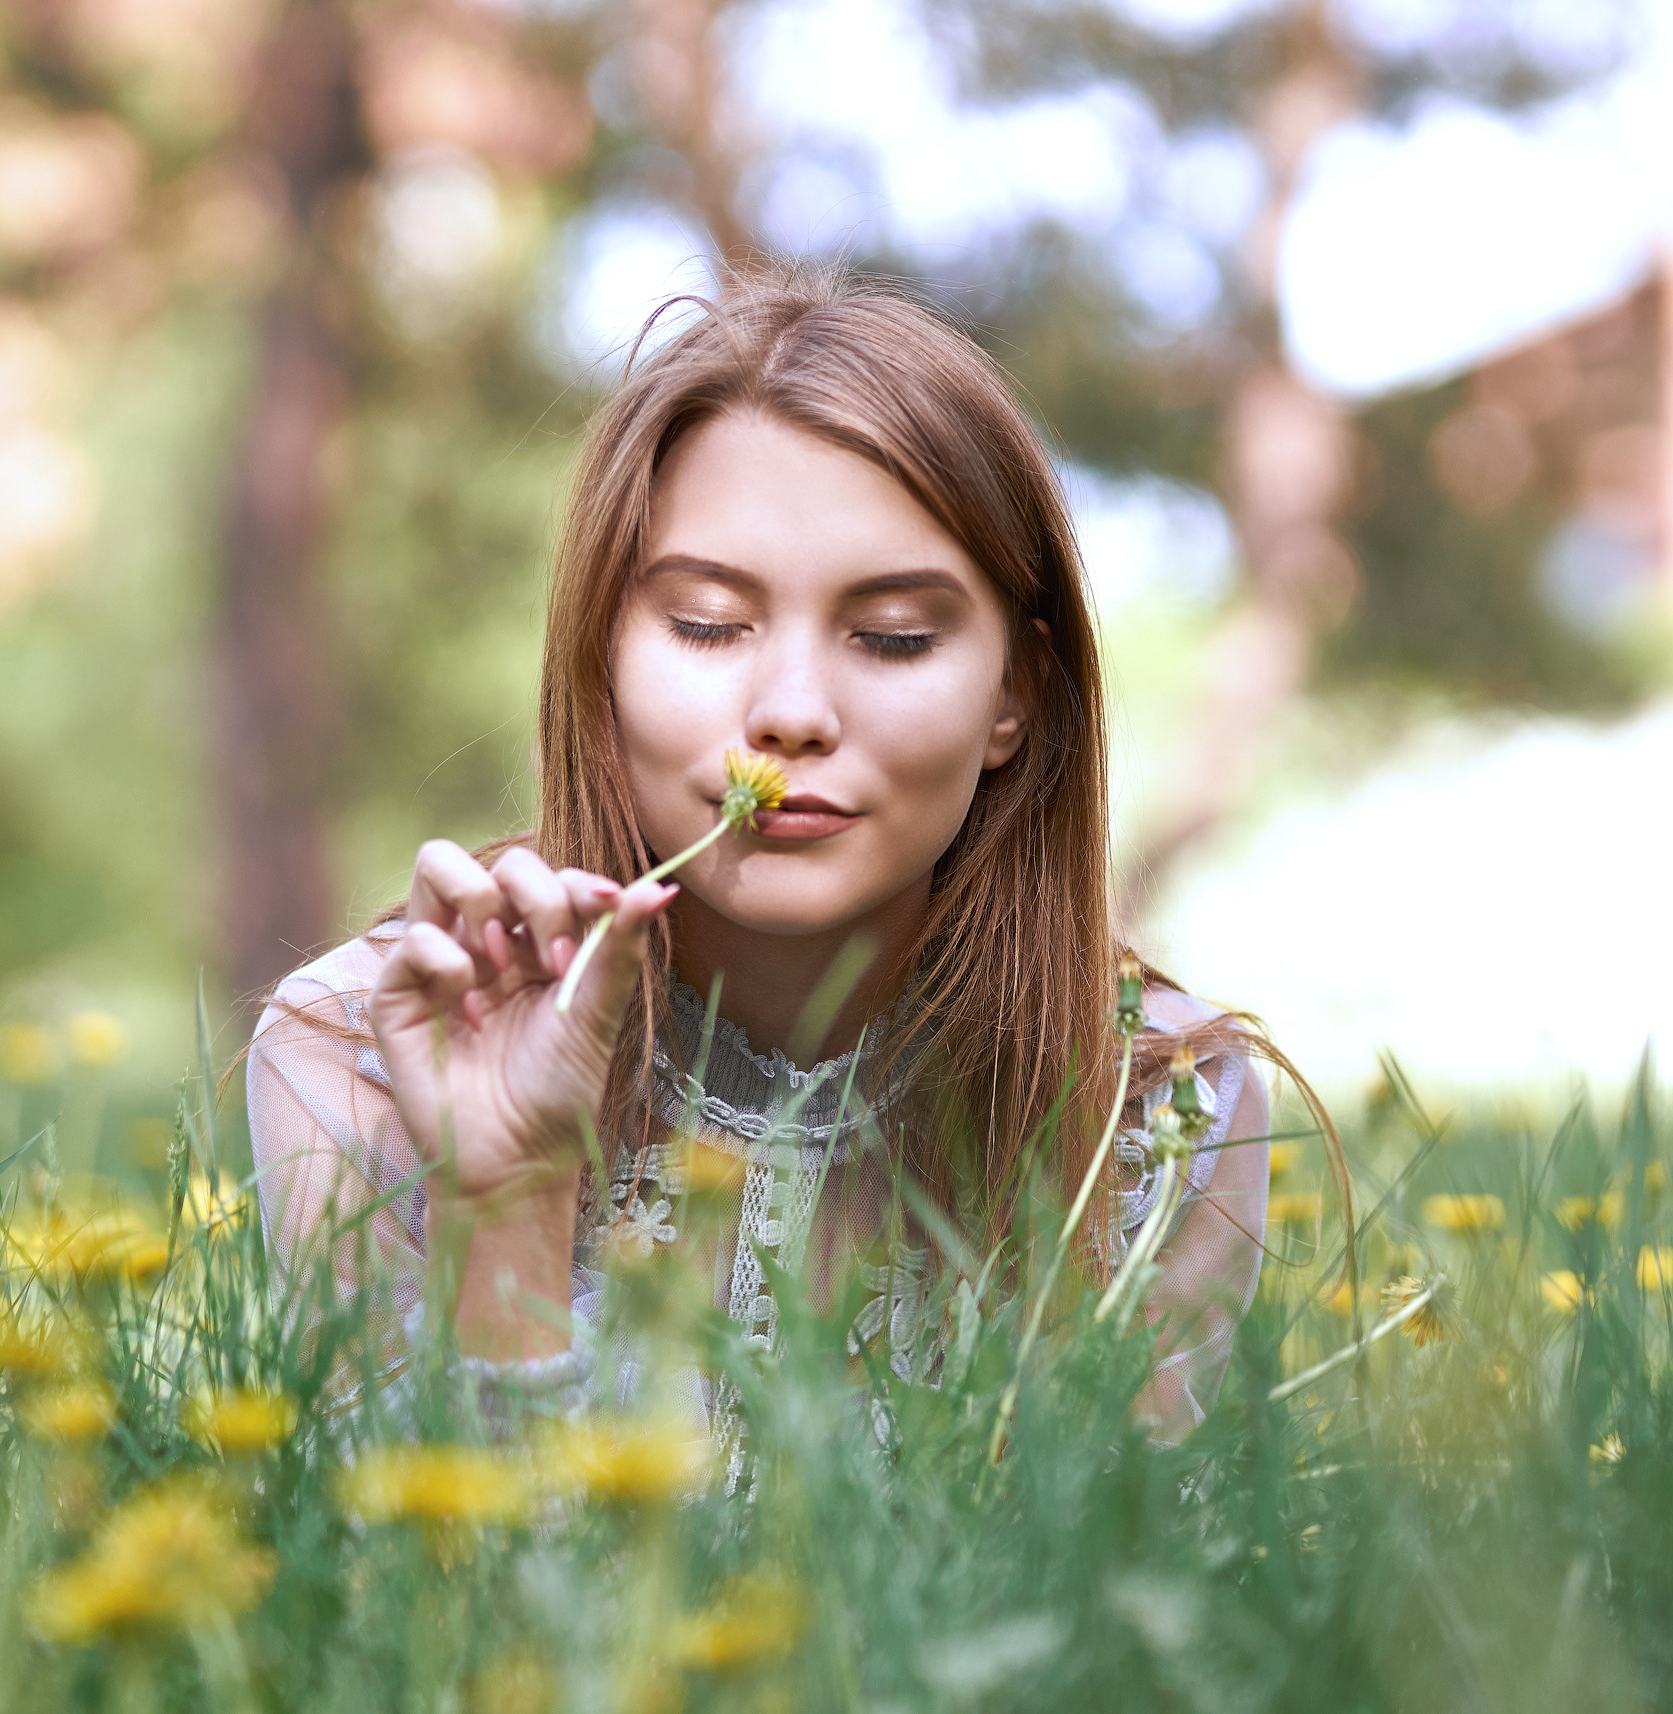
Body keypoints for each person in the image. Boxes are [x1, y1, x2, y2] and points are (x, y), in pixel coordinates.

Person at [245, 265, 1278, 1442]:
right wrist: (509, 1204)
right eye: (707, 624)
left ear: (1017, 694)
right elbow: (404, 1556)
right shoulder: (364, 1057)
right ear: (600, 661)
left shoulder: (1158, 1116)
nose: (790, 713)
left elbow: (1116, 1556)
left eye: (893, 637)